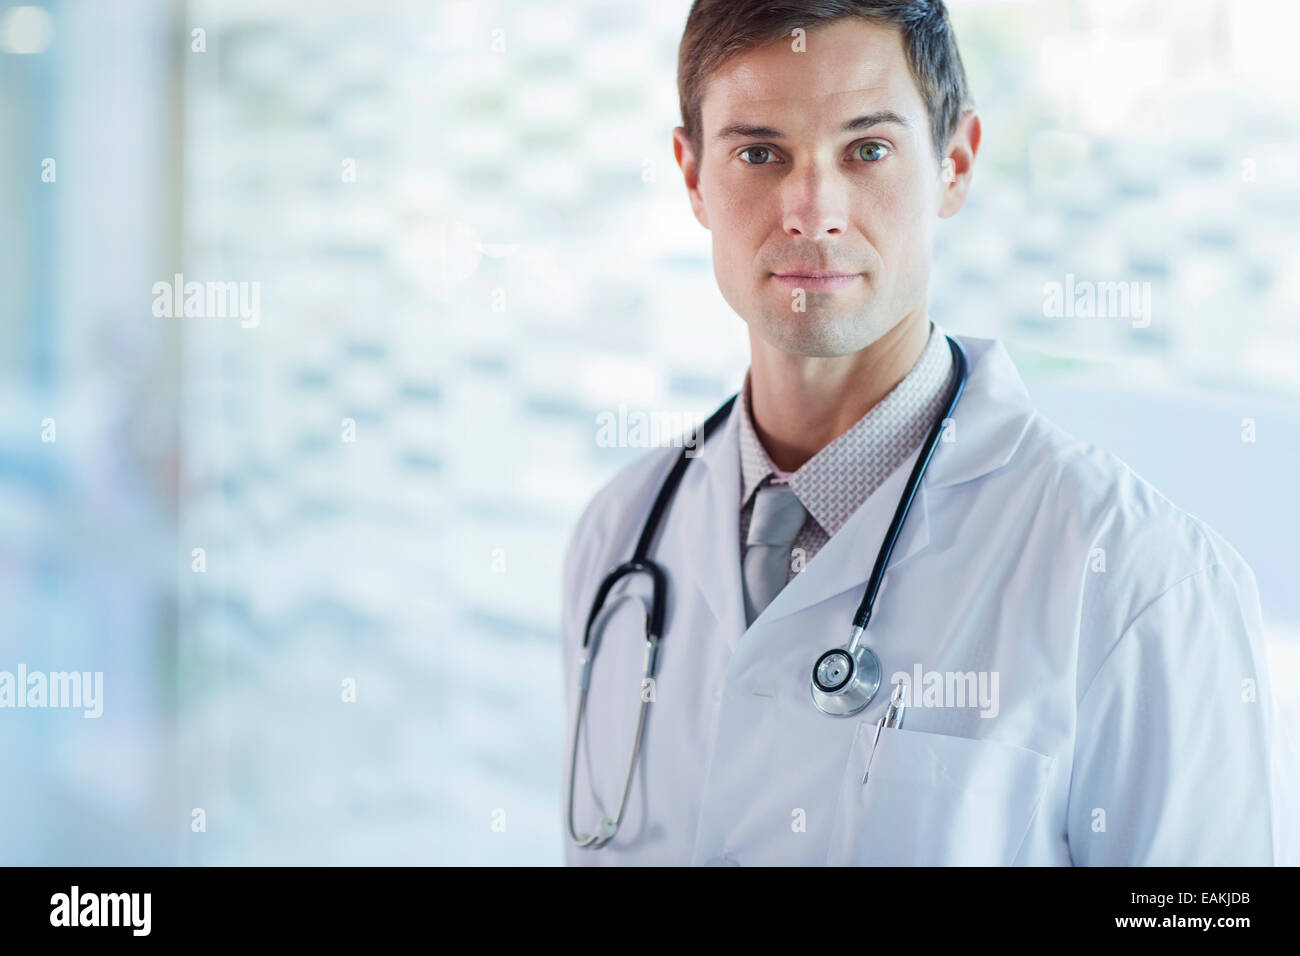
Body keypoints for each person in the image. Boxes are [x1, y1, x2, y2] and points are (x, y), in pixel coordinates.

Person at [560, 0, 1298, 866]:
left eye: (867, 150)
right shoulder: (618, 538)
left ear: (955, 163)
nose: (811, 212)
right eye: (759, 153)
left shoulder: (1143, 581)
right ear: (692, 177)